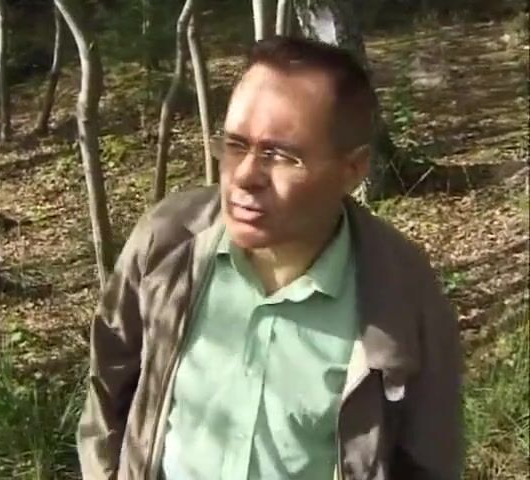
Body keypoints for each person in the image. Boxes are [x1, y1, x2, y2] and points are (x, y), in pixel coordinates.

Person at [77, 37, 462, 480]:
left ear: (352, 170)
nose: (244, 176)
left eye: (280, 155)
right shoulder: (167, 243)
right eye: (235, 145)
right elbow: (107, 391)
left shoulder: (400, 291)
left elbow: (431, 458)